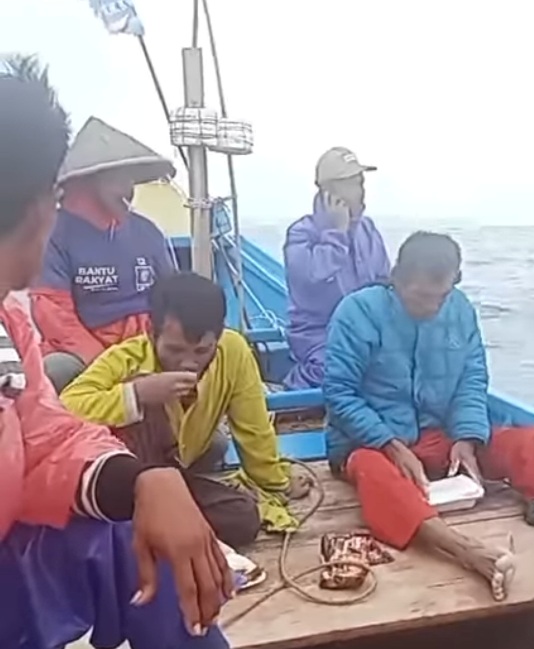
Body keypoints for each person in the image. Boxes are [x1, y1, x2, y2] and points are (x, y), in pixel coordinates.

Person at [0, 54, 231, 649]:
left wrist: (139, 481)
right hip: (102, 365)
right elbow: (58, 321)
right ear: (45, 203)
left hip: (135, 368)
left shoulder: (9, 318)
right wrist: (128, 368)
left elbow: (44, 431)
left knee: (138, 525)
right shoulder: (57, 251)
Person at [323, 230, 534, 601]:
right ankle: (472, 554)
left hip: (442, 437)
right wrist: (390, 444)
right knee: (375, 472)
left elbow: (472, 379)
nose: (434, 307)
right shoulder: (356, 312)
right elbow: (339, 395)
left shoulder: (460, 309)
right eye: (422, 297)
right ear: (397, 278)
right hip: (369, 443)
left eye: (443, 295)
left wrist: (468, 438)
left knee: (528, 441)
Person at [61, 271, 310, 548]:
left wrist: (277, 483)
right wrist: (138, 394)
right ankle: (130, 529)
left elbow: (254, 429)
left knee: (242, 517)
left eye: (202, 351)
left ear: (218, 336)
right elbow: (66, 410)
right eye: (175, 350)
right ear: (150, 332)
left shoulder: (234, 351)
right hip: (125, 485)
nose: (188, 363)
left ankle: (143, 531)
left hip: (176, 477)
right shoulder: (127, 358)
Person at [29, 115, 178, 393]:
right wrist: (110, 367)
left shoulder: (148, 232)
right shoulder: (52, 233)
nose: (130, 190)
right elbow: (54, 315)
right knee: (56, 371)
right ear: (89, 181)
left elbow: (172, 300)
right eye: (120, 179)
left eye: (132, 180)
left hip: (147, 348)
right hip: (85, 354)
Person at [283, 146, 390, 390]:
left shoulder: (368, 230)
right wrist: (336, 233)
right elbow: (312, 277)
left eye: (360, 182)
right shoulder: (301, 233)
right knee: (332, 369)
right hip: (318, 333)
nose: (360, 191)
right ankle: (290, 390)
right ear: (328, 191)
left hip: (364, 331)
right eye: (351, 184)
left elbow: (384, 283)